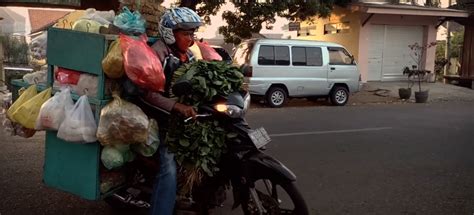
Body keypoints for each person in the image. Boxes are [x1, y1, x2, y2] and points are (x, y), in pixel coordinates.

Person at [125, 7, 202, 215]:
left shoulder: (189, 56)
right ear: (170, 33)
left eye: (192, 33)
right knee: (168, 166)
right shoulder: (158, 53)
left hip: (178, 117)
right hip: (156, 117)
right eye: (186, 33)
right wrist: (177, 106)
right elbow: (147, 94)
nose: (190, 38)